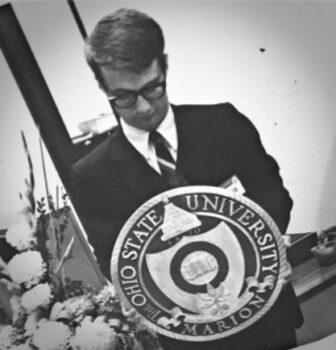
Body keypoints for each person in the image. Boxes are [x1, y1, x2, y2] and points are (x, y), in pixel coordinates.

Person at [71, 8, 303, 350]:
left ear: (164, 64)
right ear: (102, 86)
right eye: (124, 97)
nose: (144, 108)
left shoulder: (223, 122)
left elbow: (272, 192)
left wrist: (267, 249)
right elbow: (113, 258)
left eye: (153, 88)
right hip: (190, 337)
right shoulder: (91, 174)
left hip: (267, 316)